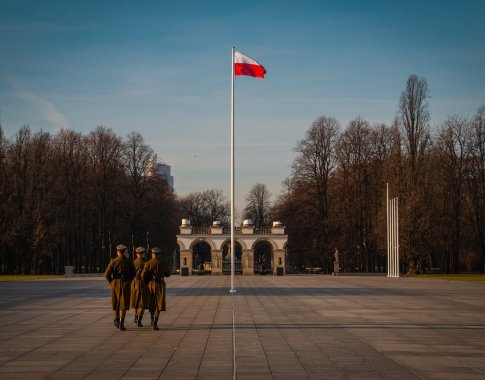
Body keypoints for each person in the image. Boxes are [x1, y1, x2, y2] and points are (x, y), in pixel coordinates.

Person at [104, 244, 135, 331]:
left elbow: (106, 274)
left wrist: (112, 282)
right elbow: (134, 273)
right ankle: (121, 323)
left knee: (116, 303)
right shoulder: (129, 261)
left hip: (115, 283)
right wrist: (129, 280)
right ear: (125, 252)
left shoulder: (113, 261)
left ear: (118, 252)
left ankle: (116, 320)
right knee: (123, 305)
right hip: (126, 283)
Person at [141, 247, 171, 330]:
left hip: (151, 284)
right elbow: (168, 274)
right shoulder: (163, 263)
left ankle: (152, 318)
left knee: (151, 303)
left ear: (152, 254)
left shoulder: (148, 263)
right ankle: (155, 322)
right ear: (159, 254)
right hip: (160, 284)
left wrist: (148, 281)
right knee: (159, 304)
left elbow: (143, 276)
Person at [131, 246, 149, 327]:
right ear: (143, 253)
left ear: (137, 254)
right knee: (142, 303)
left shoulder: (133, 263)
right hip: (143, 283)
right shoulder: (146, 263)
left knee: (136, 301)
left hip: (134, 283)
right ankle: (139, 319)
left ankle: (135, 316)